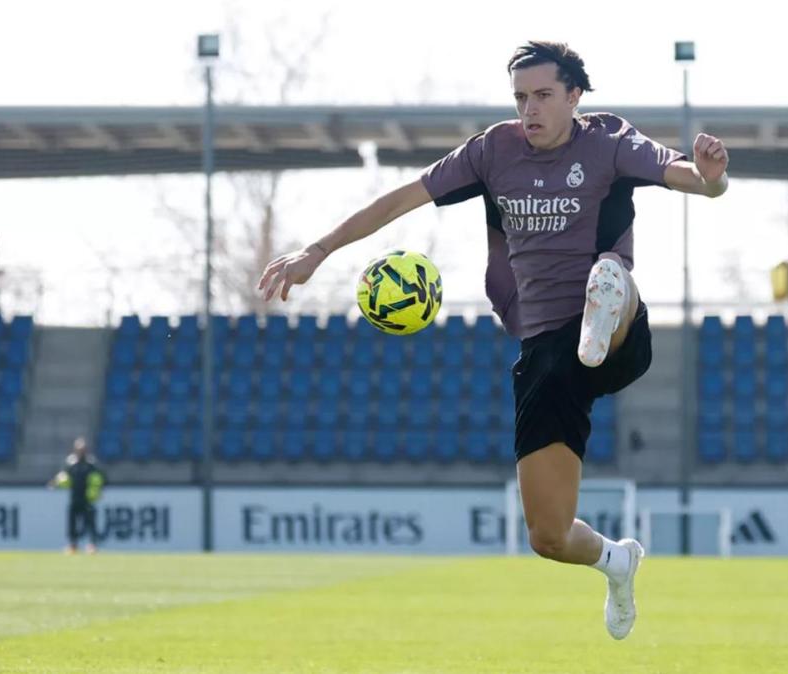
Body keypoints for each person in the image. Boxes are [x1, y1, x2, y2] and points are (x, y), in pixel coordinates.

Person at [258, 41, 728, 640]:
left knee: (610, 287)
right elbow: (404, 197)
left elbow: (689, 177)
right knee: (549, 537)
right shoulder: (493, 151)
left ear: (575, 96)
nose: (529, 109)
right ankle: (617, 560)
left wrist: (712, 179)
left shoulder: (610, 141)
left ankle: (608, 294)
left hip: (616, 336)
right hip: (544, 354)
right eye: (520, 98)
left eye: (543, 96)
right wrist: (316, 252)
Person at [47, 436, 106, 555]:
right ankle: (73, 545)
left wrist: (98, 491)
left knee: (90, 523)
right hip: (75, 497)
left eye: (83, 449)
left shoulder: (91, 464)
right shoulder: (71, 463)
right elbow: (63, 476)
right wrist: (55, 483)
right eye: (79, 449)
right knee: (72, 523)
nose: (81, 451)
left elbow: (100, 479)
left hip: (87, 498)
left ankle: (92, 545)